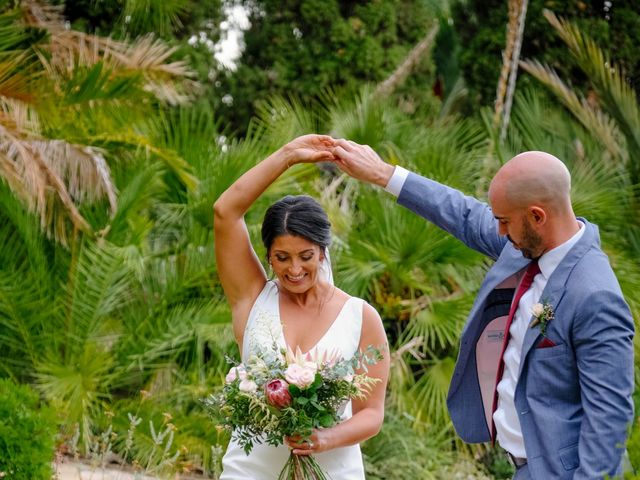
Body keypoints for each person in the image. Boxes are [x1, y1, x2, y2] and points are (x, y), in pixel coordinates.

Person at [331, 141, 634, 480]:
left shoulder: (594, 296)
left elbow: (609, 416)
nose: (499, 233)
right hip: (519, 466)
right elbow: (462, 213)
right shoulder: (527, 243)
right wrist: (384, 174)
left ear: (537, 216)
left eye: (504, 222)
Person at [213, 134, 390, 479]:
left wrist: (324, 439)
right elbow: (225, 211)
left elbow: (371, 413)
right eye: (282, 258)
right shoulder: (252, 299)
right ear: (268, 257)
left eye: (305, 257)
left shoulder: (360, 316)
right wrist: (288, 154)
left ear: (323, 251)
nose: (294, 269)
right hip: (248, 472)